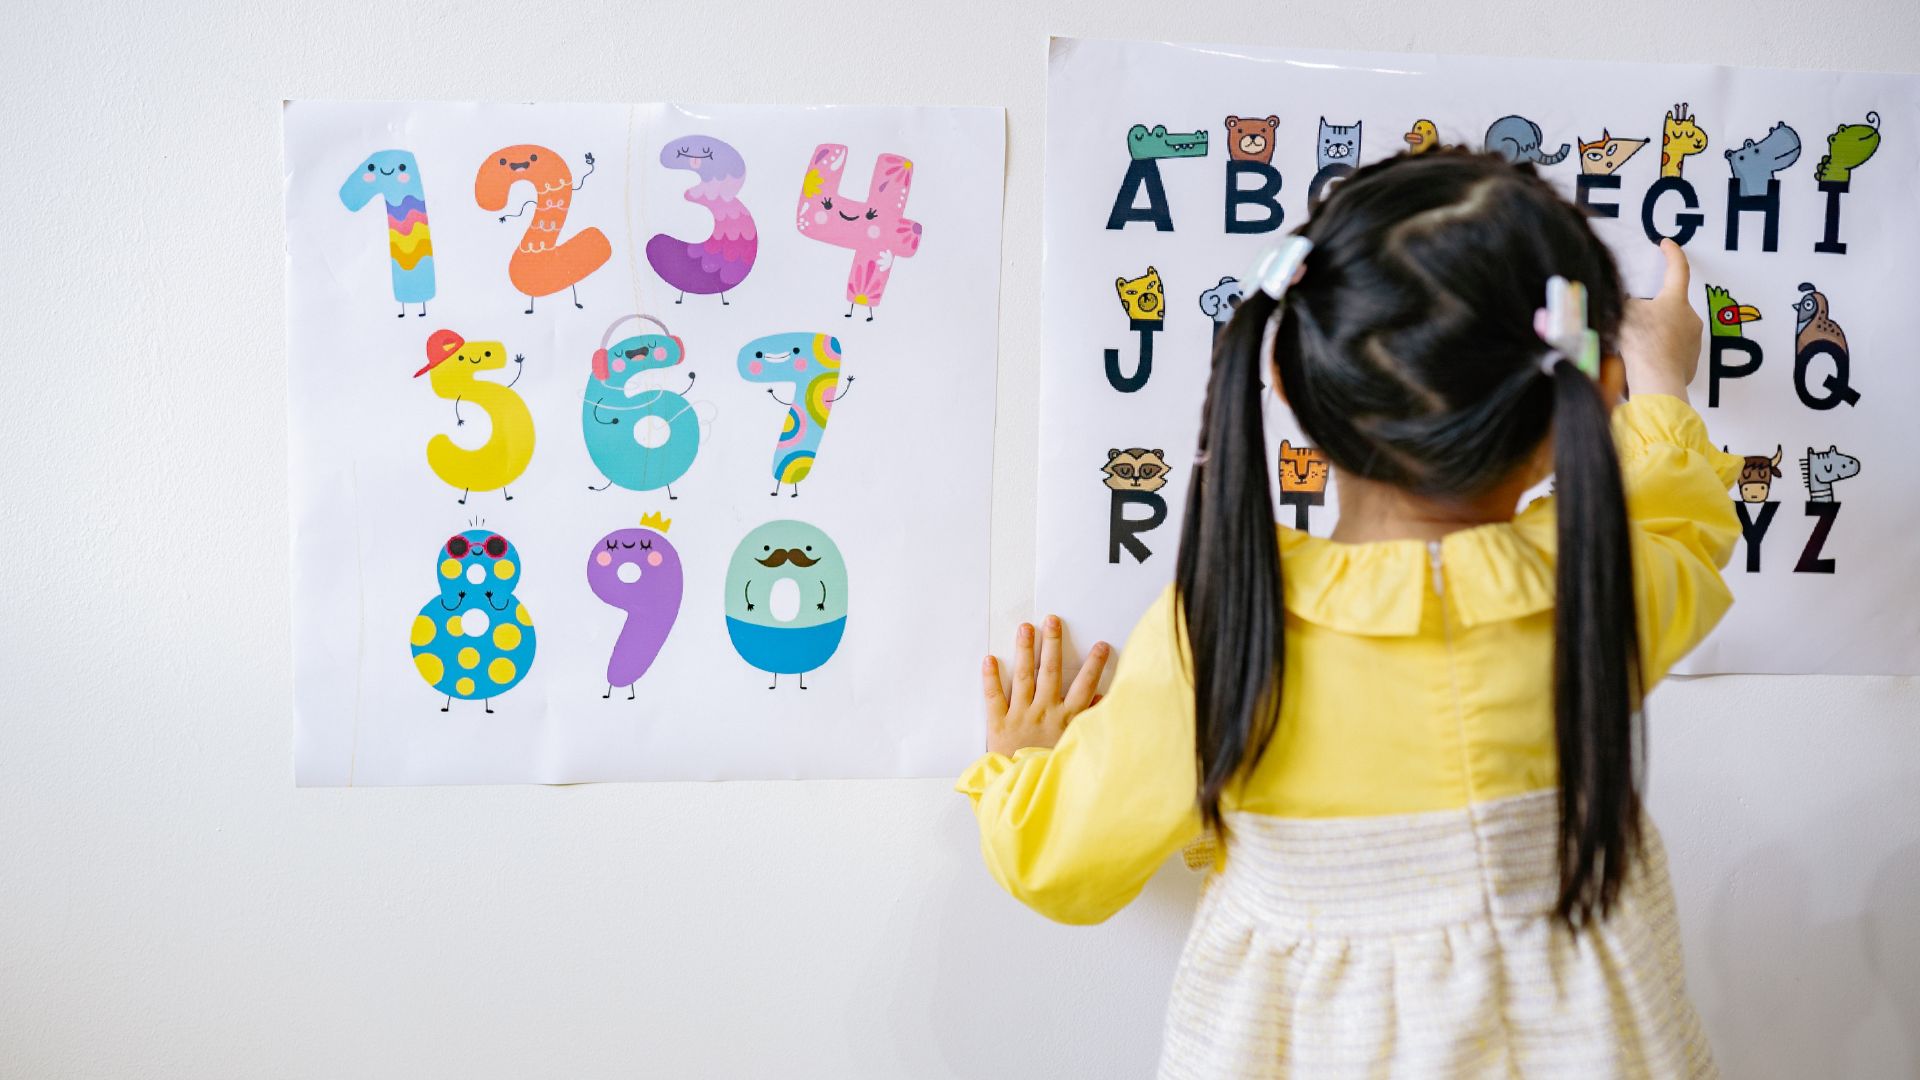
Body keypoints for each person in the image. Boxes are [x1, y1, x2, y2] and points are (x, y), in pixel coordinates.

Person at [958, 149, 1742, 1077]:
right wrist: (1661, 384)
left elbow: (1065, 859)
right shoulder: (1602, 581)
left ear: (1287, 381)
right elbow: (1679, 519)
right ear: (1588, 392)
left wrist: (1018, 770)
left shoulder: (1224, 627)